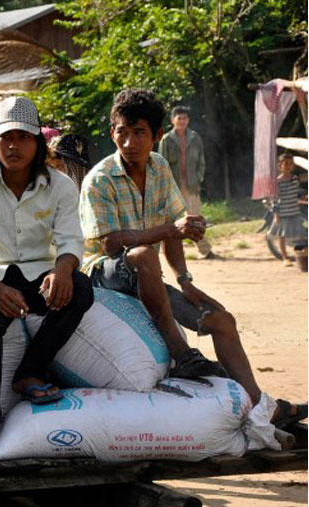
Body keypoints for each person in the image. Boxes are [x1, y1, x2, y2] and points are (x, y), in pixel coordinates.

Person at [78, 88, 306, 428]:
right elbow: (112, 243)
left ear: (156, 136)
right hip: (104, 274)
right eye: (121, 132)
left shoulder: (158, 167)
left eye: (139, 133)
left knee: (221, 320)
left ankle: (260, 406)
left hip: (147, 273)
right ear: (112, 133)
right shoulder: (100, 178)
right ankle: (182, 354)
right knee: (140, 254)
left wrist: (185, 281)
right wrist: (172, 228)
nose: (128, 142)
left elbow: (173, 235)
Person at [0, 97, 94, 461]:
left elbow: (70, 240)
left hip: (41, 276)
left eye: (23, 137)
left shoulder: (60, 185)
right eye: (6, 137)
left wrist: (63, 271)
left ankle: (29, 373)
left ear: (38, 143)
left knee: (80, 289)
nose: (14, 145)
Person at [157, 106, 215, 259]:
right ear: (172, 120)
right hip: (173, 186)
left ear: (188, 120)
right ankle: (175, 254)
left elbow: (201, 160)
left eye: (185, 118)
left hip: (191, 184)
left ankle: (205, 250)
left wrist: (199, 178)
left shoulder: (195, 137)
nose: (182, 121)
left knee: (196, 218)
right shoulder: (166, 139)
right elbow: (161, 164)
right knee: (171, 221)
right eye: (179, 118)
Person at [269, 154, 307, 266]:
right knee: (283, 236)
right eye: (285, 164)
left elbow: (295, 194)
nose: (288, 166)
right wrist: (276, 215)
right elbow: (274, 200)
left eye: (290, 164)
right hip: (284, 213)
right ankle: (285, 258)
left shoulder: (295, 179)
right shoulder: (277, 182)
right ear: (280, 166)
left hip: (295, 212)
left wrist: (303, 198)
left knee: (299, 235)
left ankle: (301, 256)